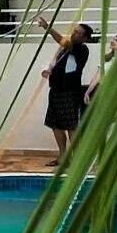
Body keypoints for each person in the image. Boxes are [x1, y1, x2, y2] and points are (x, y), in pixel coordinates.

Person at [37, 17, 95, 161]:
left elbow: (63, 41)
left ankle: (77, 159)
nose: (73, 34)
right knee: (55, 124)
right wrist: (48, 70)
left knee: (71, 126)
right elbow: (58, 63)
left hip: (69, 92)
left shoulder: (81, 49)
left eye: (77, 33)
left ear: (84, 38)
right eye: (74, 31)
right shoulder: (64, 50)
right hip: (56, 90)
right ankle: (63, 157)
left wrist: (47, 28)